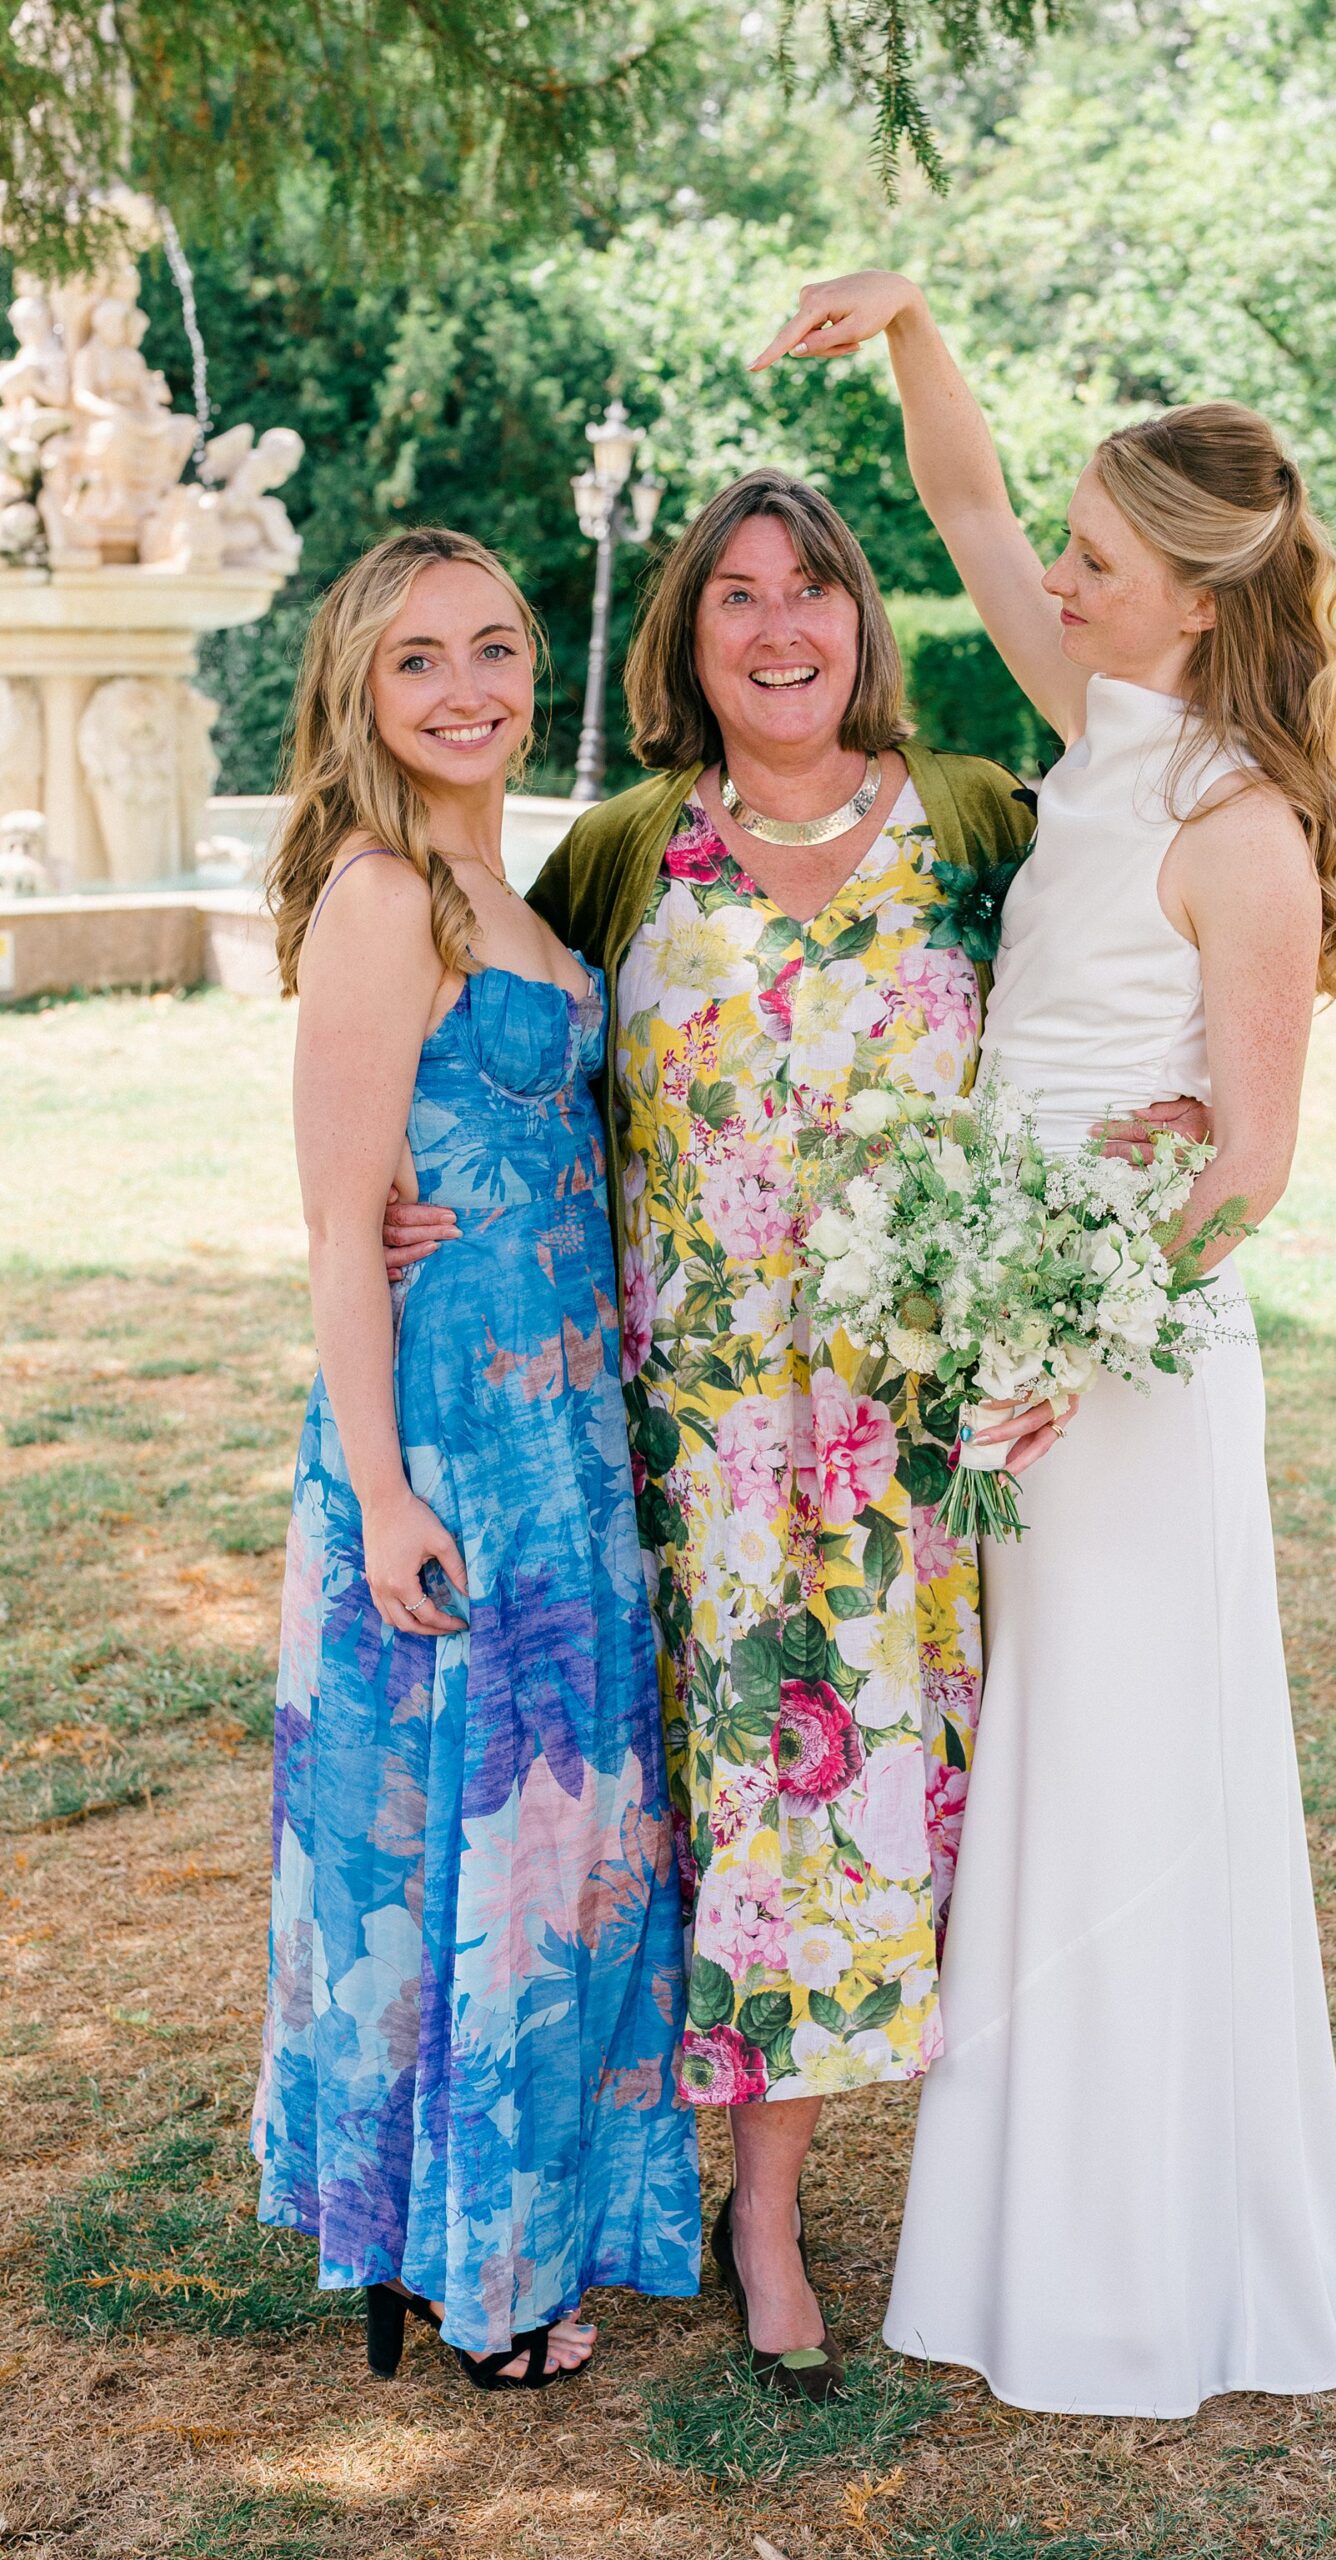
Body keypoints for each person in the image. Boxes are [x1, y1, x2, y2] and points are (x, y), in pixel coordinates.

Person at [751, 277, 1336, 2417]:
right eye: (1071, 553)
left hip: (1118, 1364)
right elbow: (957, 494)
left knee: (1131, 1781)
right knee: (1044, 1768)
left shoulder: (1238, 829)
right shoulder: (1099, 720)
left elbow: (1247, 1168)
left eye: (1099, 561)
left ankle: (1144, 2257)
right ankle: (1027, 2212)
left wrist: (1063, 1336)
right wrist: (920, 324)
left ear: (1186, 606)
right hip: (1010, 1331)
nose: (1056, 577)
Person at [383, 469, 1051, 2399]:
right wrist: (432, 1200)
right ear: (687, 642)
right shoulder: (620, 848)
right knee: (633, 1817)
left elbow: (1113, 995)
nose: (779, 629)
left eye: (812, 591)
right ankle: (593, 2181)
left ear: (862, 618)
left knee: (814, 1826)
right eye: (735, 597)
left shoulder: (980, 826)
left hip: (880, 1458)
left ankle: (762, 2211)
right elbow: (491, 1034)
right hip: (649, 1438)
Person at [253, 527, 699, 2393]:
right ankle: (466, 2266)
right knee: (464, 1854)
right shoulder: (381, 895)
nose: (468, 688)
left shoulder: (509, 891)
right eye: (420, 657)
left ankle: (513, 2224)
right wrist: (385, 1486)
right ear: (360, 688)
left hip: (567, 1440)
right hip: (446, 1442)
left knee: (562, 1850)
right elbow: (340, 1222)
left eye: (497, 648)